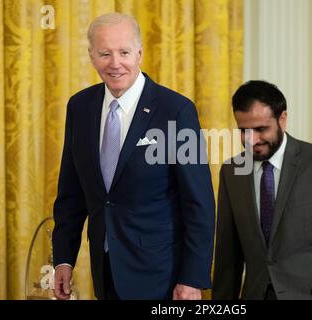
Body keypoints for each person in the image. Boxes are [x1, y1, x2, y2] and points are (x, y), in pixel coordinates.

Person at [52, 13, 215, 300]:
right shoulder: (80, 107)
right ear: (91, 56)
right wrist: (64, 258)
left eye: (124, 52)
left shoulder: (175, 111)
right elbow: (71, 193)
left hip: (162, 276)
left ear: (139, 53)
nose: (115, 63)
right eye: (105, 53)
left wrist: (192, 278)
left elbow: (198, 202)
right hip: (105, 270)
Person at [212, 80, 312, 300]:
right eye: (244, 131)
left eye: (261, 129)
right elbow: (227, 260)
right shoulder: (231, 172)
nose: (252, 140)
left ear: (283, 119)